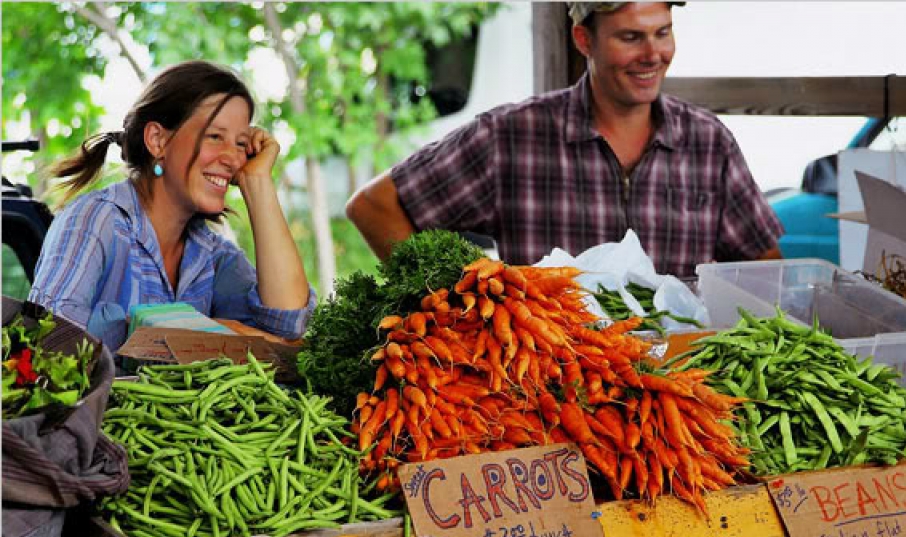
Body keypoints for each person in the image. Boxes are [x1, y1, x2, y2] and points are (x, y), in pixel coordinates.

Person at [346, 2, 784, 278]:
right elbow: (374, 207)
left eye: (662, 32)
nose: (652, 54)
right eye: (630, 37)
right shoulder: (512, 137)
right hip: (550, 391)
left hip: (680, 391)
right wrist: (455, 309)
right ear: (583, 40)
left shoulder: (708, 144)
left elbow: (765, 269)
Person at [28, 60, 315, 352]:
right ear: (157, 141)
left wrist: (259, 183)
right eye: (215, 136)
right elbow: (47, 343)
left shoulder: (210, 254)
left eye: (241, 143)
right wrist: (216, 331)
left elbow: (287, 328)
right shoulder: (94, 221)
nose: (232, 158)